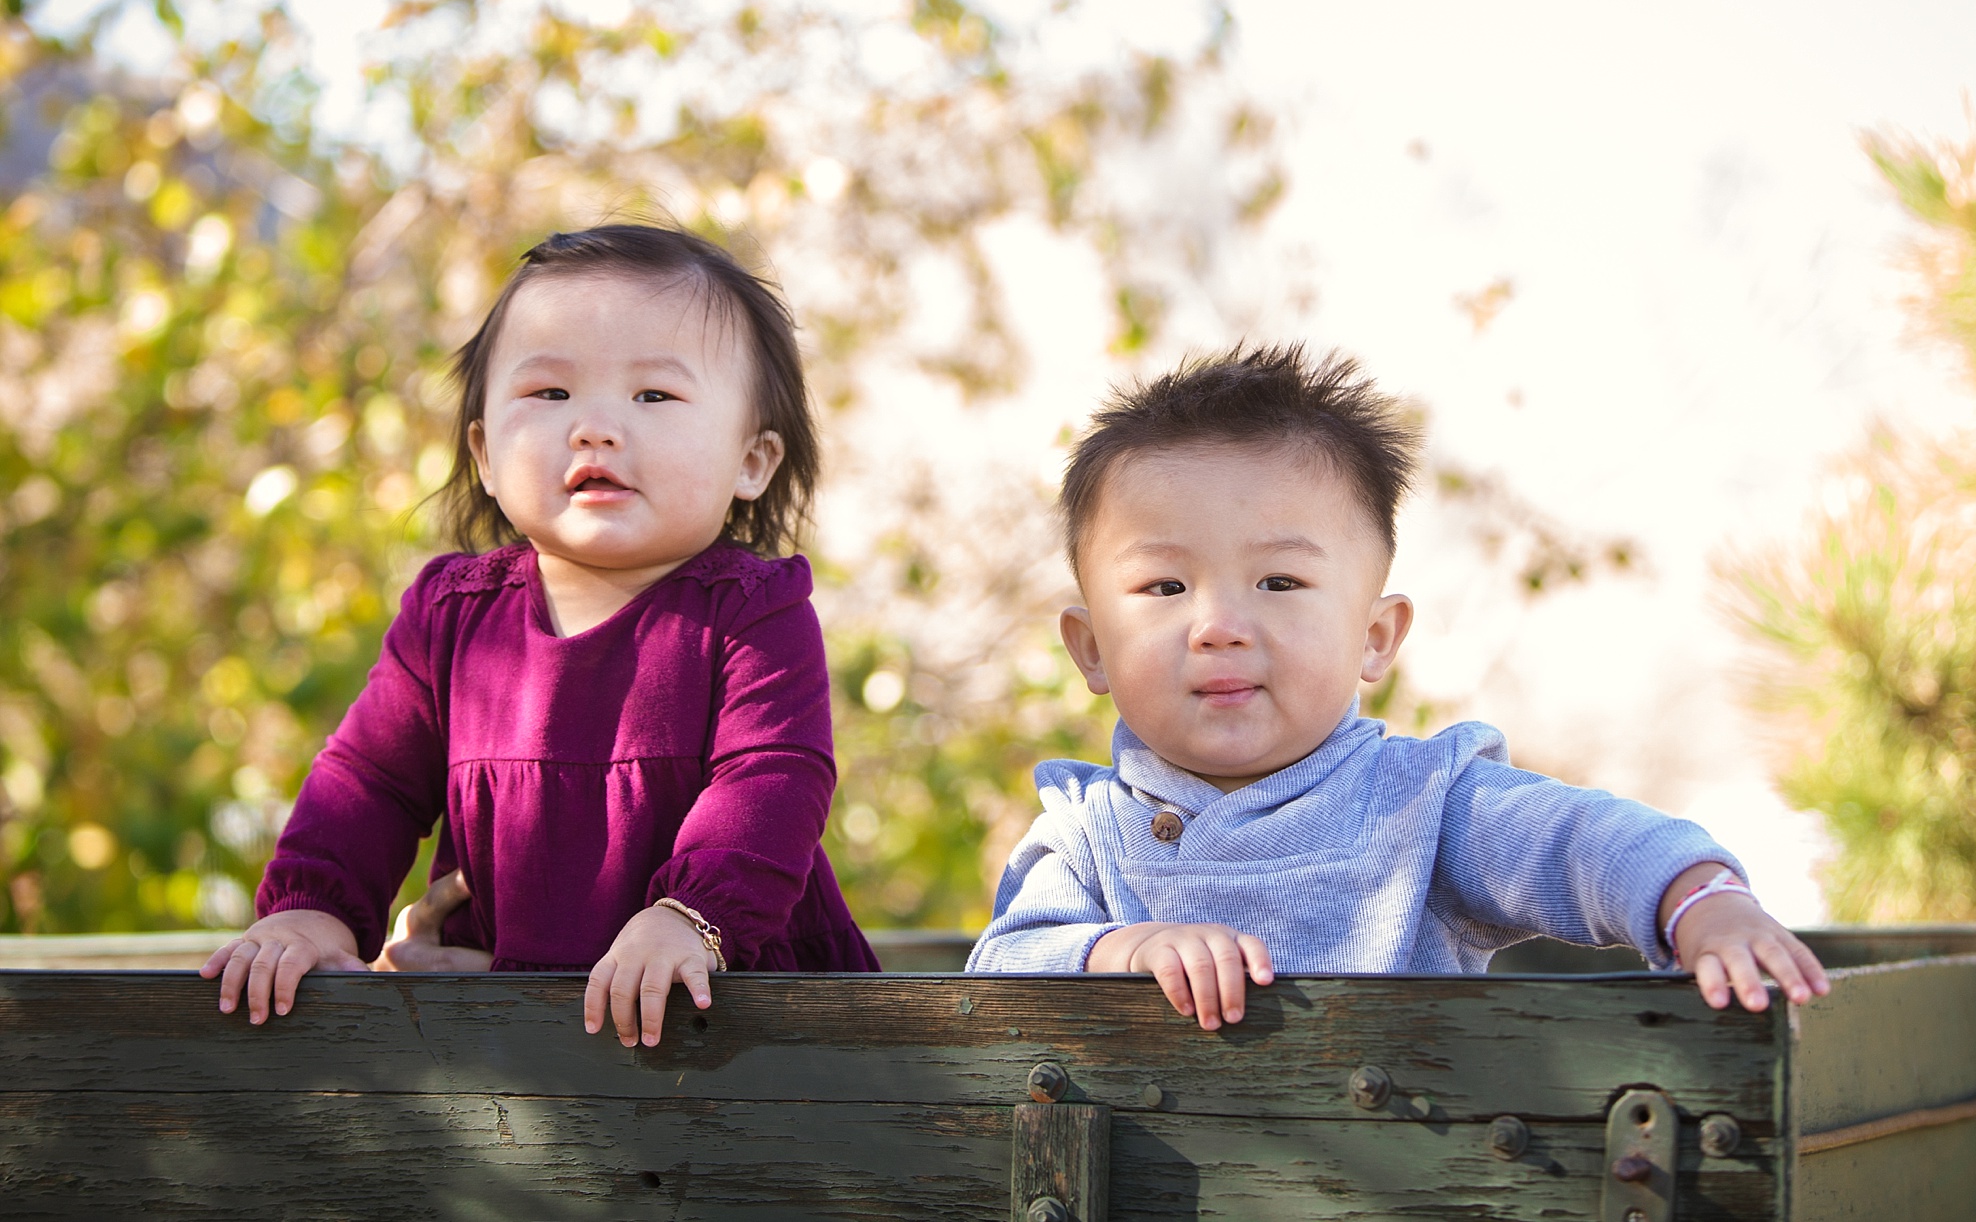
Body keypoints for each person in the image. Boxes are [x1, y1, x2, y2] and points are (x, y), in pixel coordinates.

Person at [967, 343, 1830, 1030]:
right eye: (1164, 588)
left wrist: (1704, 905)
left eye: (1278, 584)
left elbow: (1584, 843)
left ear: (1375, 637)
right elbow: (998, 973)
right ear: (1091, 650)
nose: (1218, 624)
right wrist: (1120, 949)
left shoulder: (1423, 806)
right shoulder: (1084, 835)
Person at [203, 223, 878, 1046]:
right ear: (484, 454)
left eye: (653, 396)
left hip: (732, 1016)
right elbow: (368, 781)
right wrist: (312, 911)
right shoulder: (451, 617)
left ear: (753, 462)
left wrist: (690, 917)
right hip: (506, 1023)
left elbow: (771, 778)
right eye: (550, 395)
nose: (594, 427)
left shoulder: (753, 610)